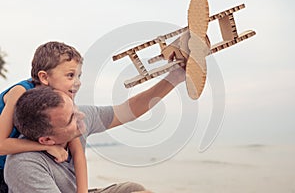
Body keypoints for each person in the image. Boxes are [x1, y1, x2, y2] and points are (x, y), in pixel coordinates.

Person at [5, 65, 184, 192]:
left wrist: (175, 77)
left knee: (132, 189)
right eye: (71, 119)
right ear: (47, 140)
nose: (81, 115)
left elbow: (129, 110)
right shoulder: (24, 165)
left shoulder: (77, 117)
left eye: (74, 108)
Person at [0, 42, 88, 193]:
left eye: (78, 76)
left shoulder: (63, 100)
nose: (77, 82)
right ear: (44, 77)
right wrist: (47, 146)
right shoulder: (20, 93)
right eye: (70, 75)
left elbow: (77, 151)